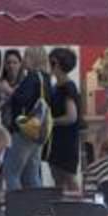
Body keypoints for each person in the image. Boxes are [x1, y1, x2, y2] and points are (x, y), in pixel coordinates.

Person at [1, 46, 51, 190]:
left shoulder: (32, 77)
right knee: (32, 174)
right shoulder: (46, 78)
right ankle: (37, 207)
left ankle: (17, 207)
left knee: (11, 172)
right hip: (39, 131)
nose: (24, 61)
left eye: (27, 57)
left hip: (25, 130)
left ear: (34, 59)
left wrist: (9, 91)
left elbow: (23, 99)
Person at [45, 47, 85, 192]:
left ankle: (78, 207)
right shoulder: (57, 86)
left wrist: (50, 121)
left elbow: (71, 116)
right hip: (57, 138)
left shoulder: (67, 87)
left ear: (55, 63)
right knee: (58, 176)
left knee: (68, 176)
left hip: (66, 139)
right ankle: (61, 206)